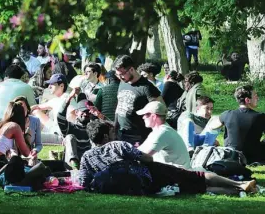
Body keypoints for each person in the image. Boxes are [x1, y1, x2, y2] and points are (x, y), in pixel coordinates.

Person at [78, 119, 256, 195]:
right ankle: (239, 185)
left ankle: (238, 191)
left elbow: (83, 182)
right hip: (147, 176)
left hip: (141, 190)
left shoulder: (86, 157)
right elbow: (148, 159)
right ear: (106, 136)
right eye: (111, 132)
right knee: (195, 176)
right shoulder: (117, 145)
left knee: (192, 189)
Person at [204, 85, 265, 163]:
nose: (257, 98)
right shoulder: (261, 117)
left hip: (231, 155)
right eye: (255, 96)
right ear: (247, 100)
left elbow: (212, 126)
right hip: (254, 157)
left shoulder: (227, 114)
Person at [112, 55, 162, 144]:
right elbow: (119, 106)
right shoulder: (123, 82)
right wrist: (115, 128)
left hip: (139, 137)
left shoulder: (147, 87)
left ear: (131, 69)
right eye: (117, 74)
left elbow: (161, 111)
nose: (119, 77)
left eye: (122, 74)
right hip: (121, 134)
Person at [136, 101, 192, 169]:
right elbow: (139, 150)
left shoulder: (162, 133)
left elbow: (142, 157)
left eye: (146, 114)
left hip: (178, 177)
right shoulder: (159, 131)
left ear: (153, 116)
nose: (143, 117)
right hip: (173, 173)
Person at [29, 73, 69, 144]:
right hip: (54, 128)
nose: (49, 86)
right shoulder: (55, 100)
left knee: (29, 137)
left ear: (61, 85)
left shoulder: (67, 98)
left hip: (61, 136)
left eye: (52, 84)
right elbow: (36, 107)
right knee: (35, 111)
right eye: (49, 84)